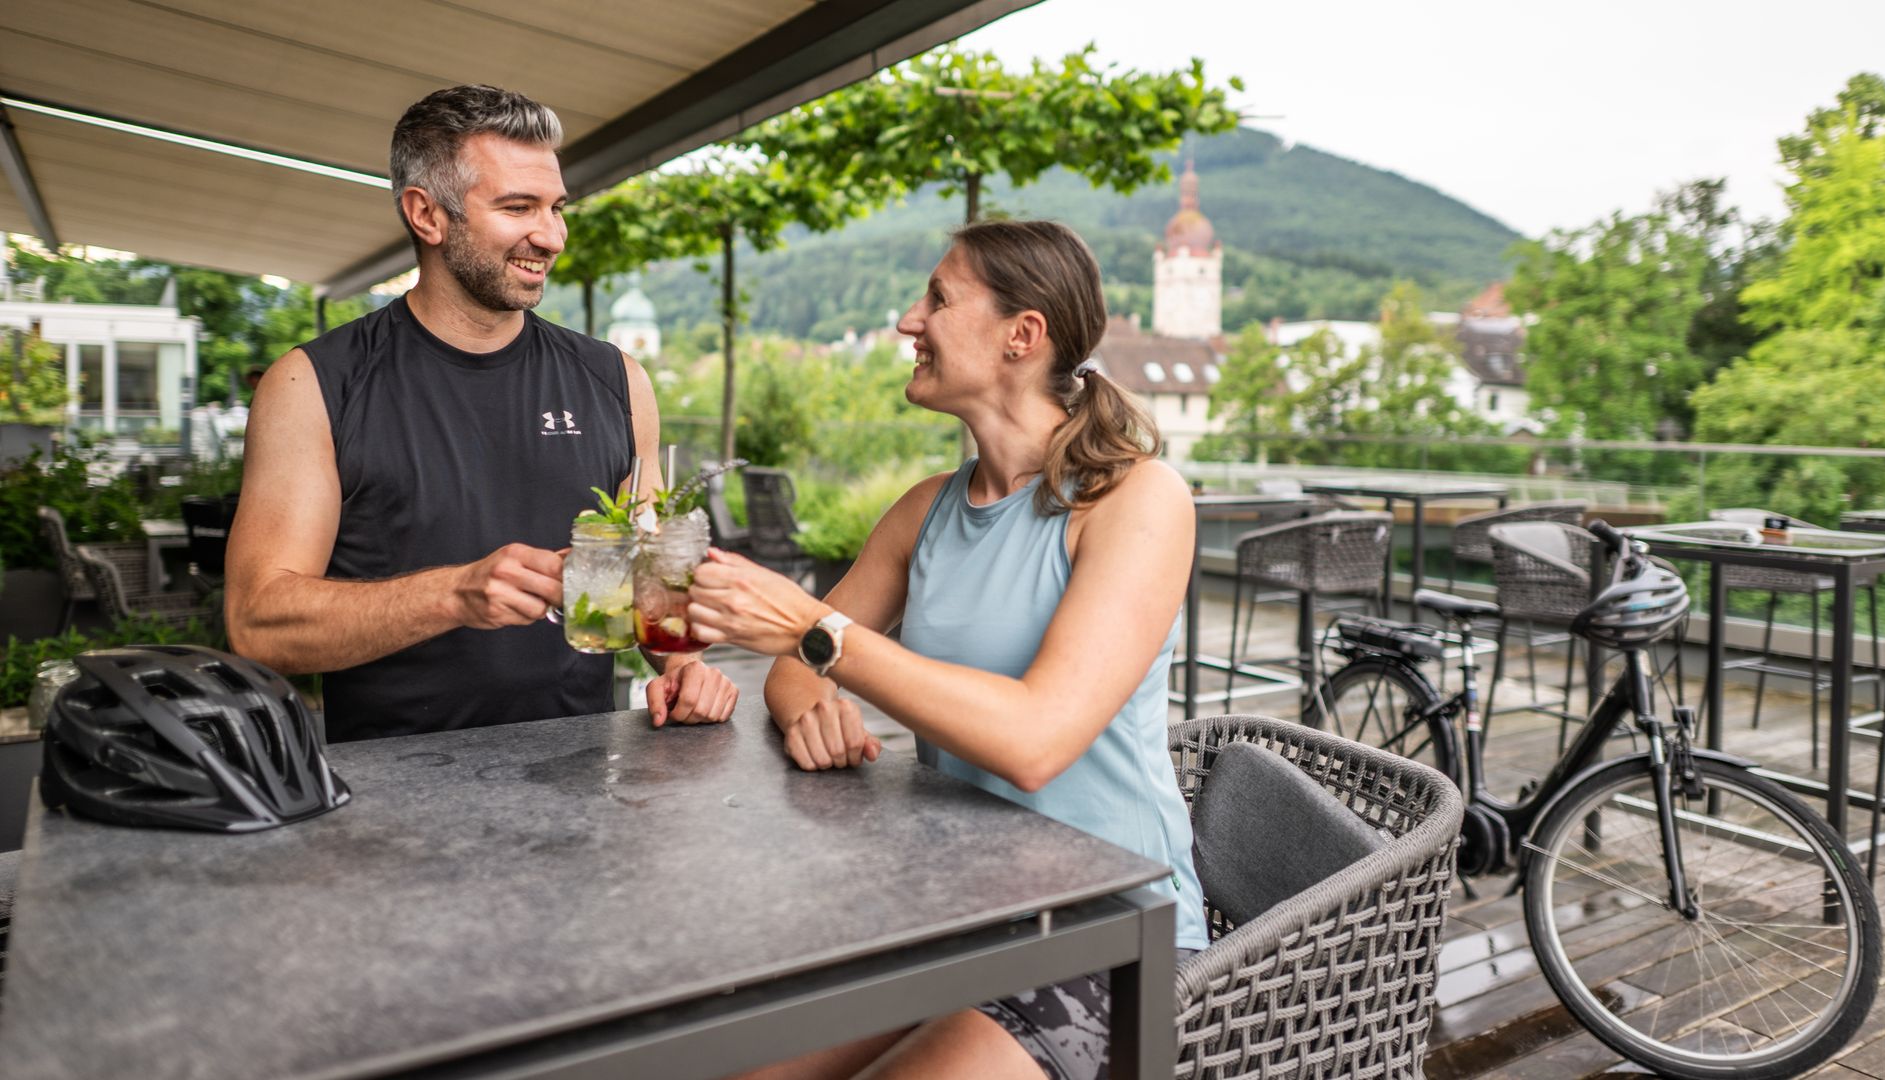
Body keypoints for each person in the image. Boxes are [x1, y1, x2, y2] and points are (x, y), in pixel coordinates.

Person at [686, 220, 1205, 1080]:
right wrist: (811, 700)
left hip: (1109, 930)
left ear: (1022, 335)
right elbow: (793, 667)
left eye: (937, 298)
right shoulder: (925, 509)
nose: (906, 319)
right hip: (953, 912)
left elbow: (1036, 742)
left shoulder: (1135, 501)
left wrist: (816, 637)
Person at [225, 85, 737, 742]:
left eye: (556, 207)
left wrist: (686, 663)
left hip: (586, 787)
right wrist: (455, 594)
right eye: (518, 207)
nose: (550, 236)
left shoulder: (617, 380)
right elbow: (257, 622)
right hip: (389, 806)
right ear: (427, 215)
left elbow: (651, 587)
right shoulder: (314, 384)